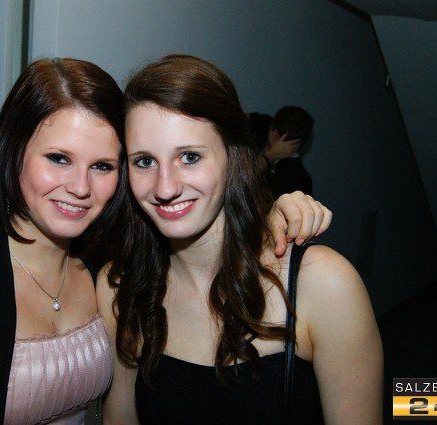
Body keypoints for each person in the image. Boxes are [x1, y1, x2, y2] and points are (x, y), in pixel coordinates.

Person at [0, 58, 332, 424]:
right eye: (58, 158)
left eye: (103, 166)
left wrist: (268, 213)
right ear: (12, 151)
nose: (80, 188)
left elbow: (209, 226)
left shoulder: (112, 269)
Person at [99, 55, 382, 424]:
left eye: (189, 156)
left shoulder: (322, 283)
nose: (165, 187)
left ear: (232, 156)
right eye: (144, 161)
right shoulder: (121, 287)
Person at [249, 107, 314, 198]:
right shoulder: (258, 126)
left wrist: (271, 155)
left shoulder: (298, 180)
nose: (272, 133)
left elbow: (240, 177)